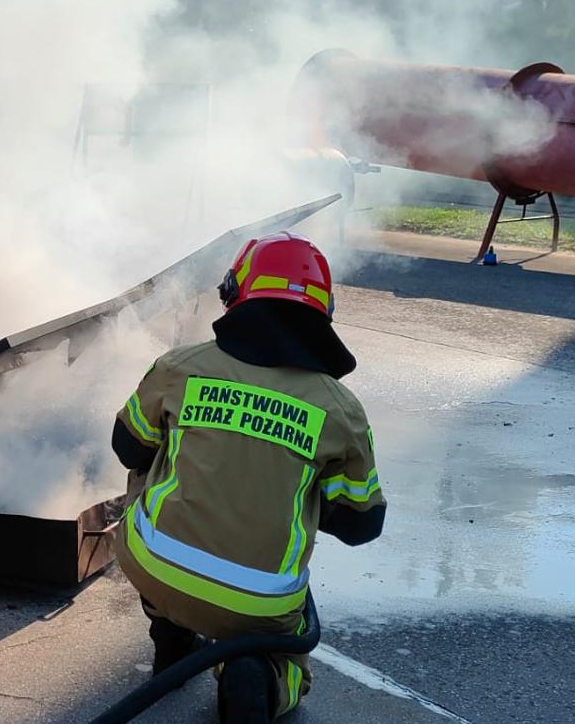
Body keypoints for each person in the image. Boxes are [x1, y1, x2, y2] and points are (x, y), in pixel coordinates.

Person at [112, 232, 384, 723]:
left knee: (147, 469)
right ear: (325, 311)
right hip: (260, 608)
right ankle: (264, 675)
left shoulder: (180, 366)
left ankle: (169, 631)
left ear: (234, 293)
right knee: (287, 653)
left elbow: (126, 447)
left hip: (154, 567)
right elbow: (361, 525)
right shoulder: (341, 411)